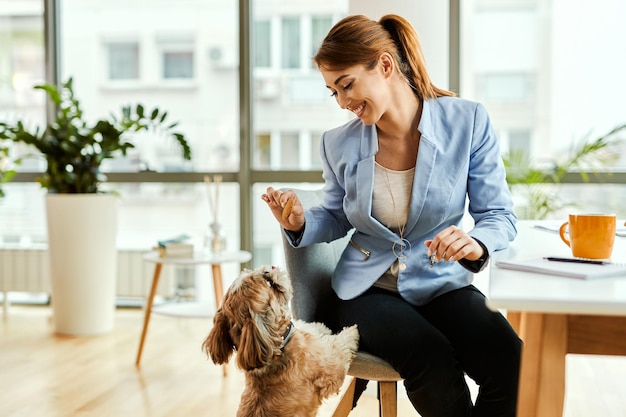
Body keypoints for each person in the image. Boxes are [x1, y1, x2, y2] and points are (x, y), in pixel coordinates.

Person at [261, 13, 521, 417]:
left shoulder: (467, 122)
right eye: (333, 92)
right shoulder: (338, 143)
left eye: (346, 84)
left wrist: (476, 241)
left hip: (441, 283)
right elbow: (335, 213)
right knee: (430, 357)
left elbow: (499, 214)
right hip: (367, 292)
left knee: (512, 362)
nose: (343, 102)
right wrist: (299, 223)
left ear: (384, 65)